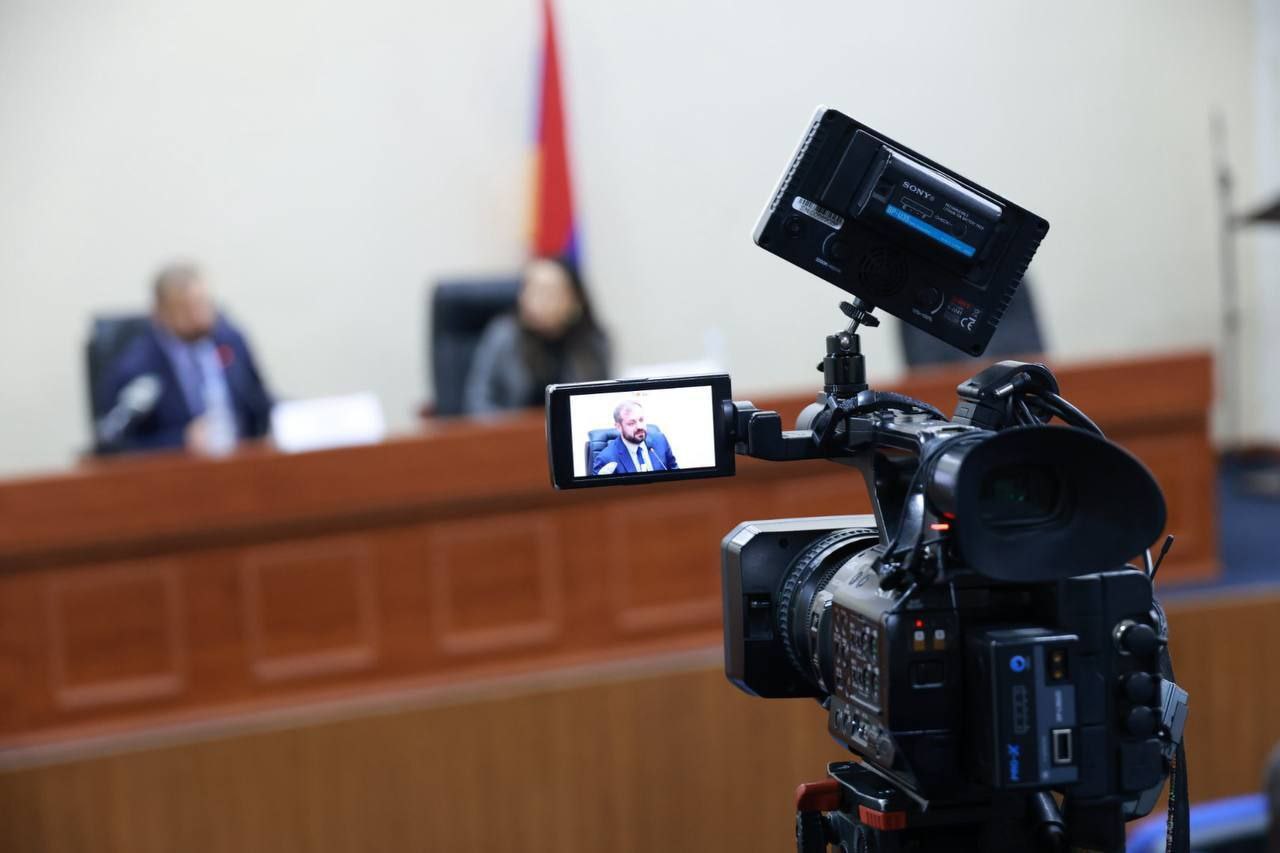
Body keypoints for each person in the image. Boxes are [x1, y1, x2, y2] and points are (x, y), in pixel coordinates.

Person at [97, 262, 274, 454]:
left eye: (203, 304)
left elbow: (260, 402)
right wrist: (180, 440)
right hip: (177, 468)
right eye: (186, 309)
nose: (199, 317)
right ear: (160, 314)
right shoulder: (136, 368)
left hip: (243, 460)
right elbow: (115, 445)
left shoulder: (231, 342)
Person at [463, 256, 610, 414]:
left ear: (575, 301)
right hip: (514, 429)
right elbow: (476, 402)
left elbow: (600, 403)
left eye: (548, 292)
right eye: (530, 289)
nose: (536, 300)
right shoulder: (503, 335)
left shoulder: (593, 342)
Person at [591, 400, 678, 475]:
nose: (639, 426)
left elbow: (676, 475)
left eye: (641, 420)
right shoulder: (606, 459)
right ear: (618, 427)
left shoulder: (660, 441)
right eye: (631, 423)